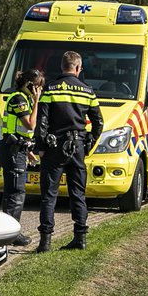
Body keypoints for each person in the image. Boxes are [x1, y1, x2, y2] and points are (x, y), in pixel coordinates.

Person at [34, 51, 103, 252]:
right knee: (78, 194)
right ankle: (79, 238)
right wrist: (89, 143)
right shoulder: (87, 91)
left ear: (62, 67)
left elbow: (42, 122)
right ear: (78, 68)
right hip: (78, 147)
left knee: (49, 195)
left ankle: (45, 242)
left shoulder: (50, 89)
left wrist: (41, 147)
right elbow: (98, 122)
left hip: (55, 147)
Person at [0, 70, 43, 269]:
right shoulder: (18, 99)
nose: (40, 90)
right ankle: (8, 235)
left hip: (17, 148)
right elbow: (30, 124)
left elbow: (22, 132)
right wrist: (37, 100)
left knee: (14, 193)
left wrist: (28, 152)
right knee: (15, 193)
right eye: (38, 86)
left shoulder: (23, 98)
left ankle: (13, 231)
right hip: (11, 150)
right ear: (31, 85)